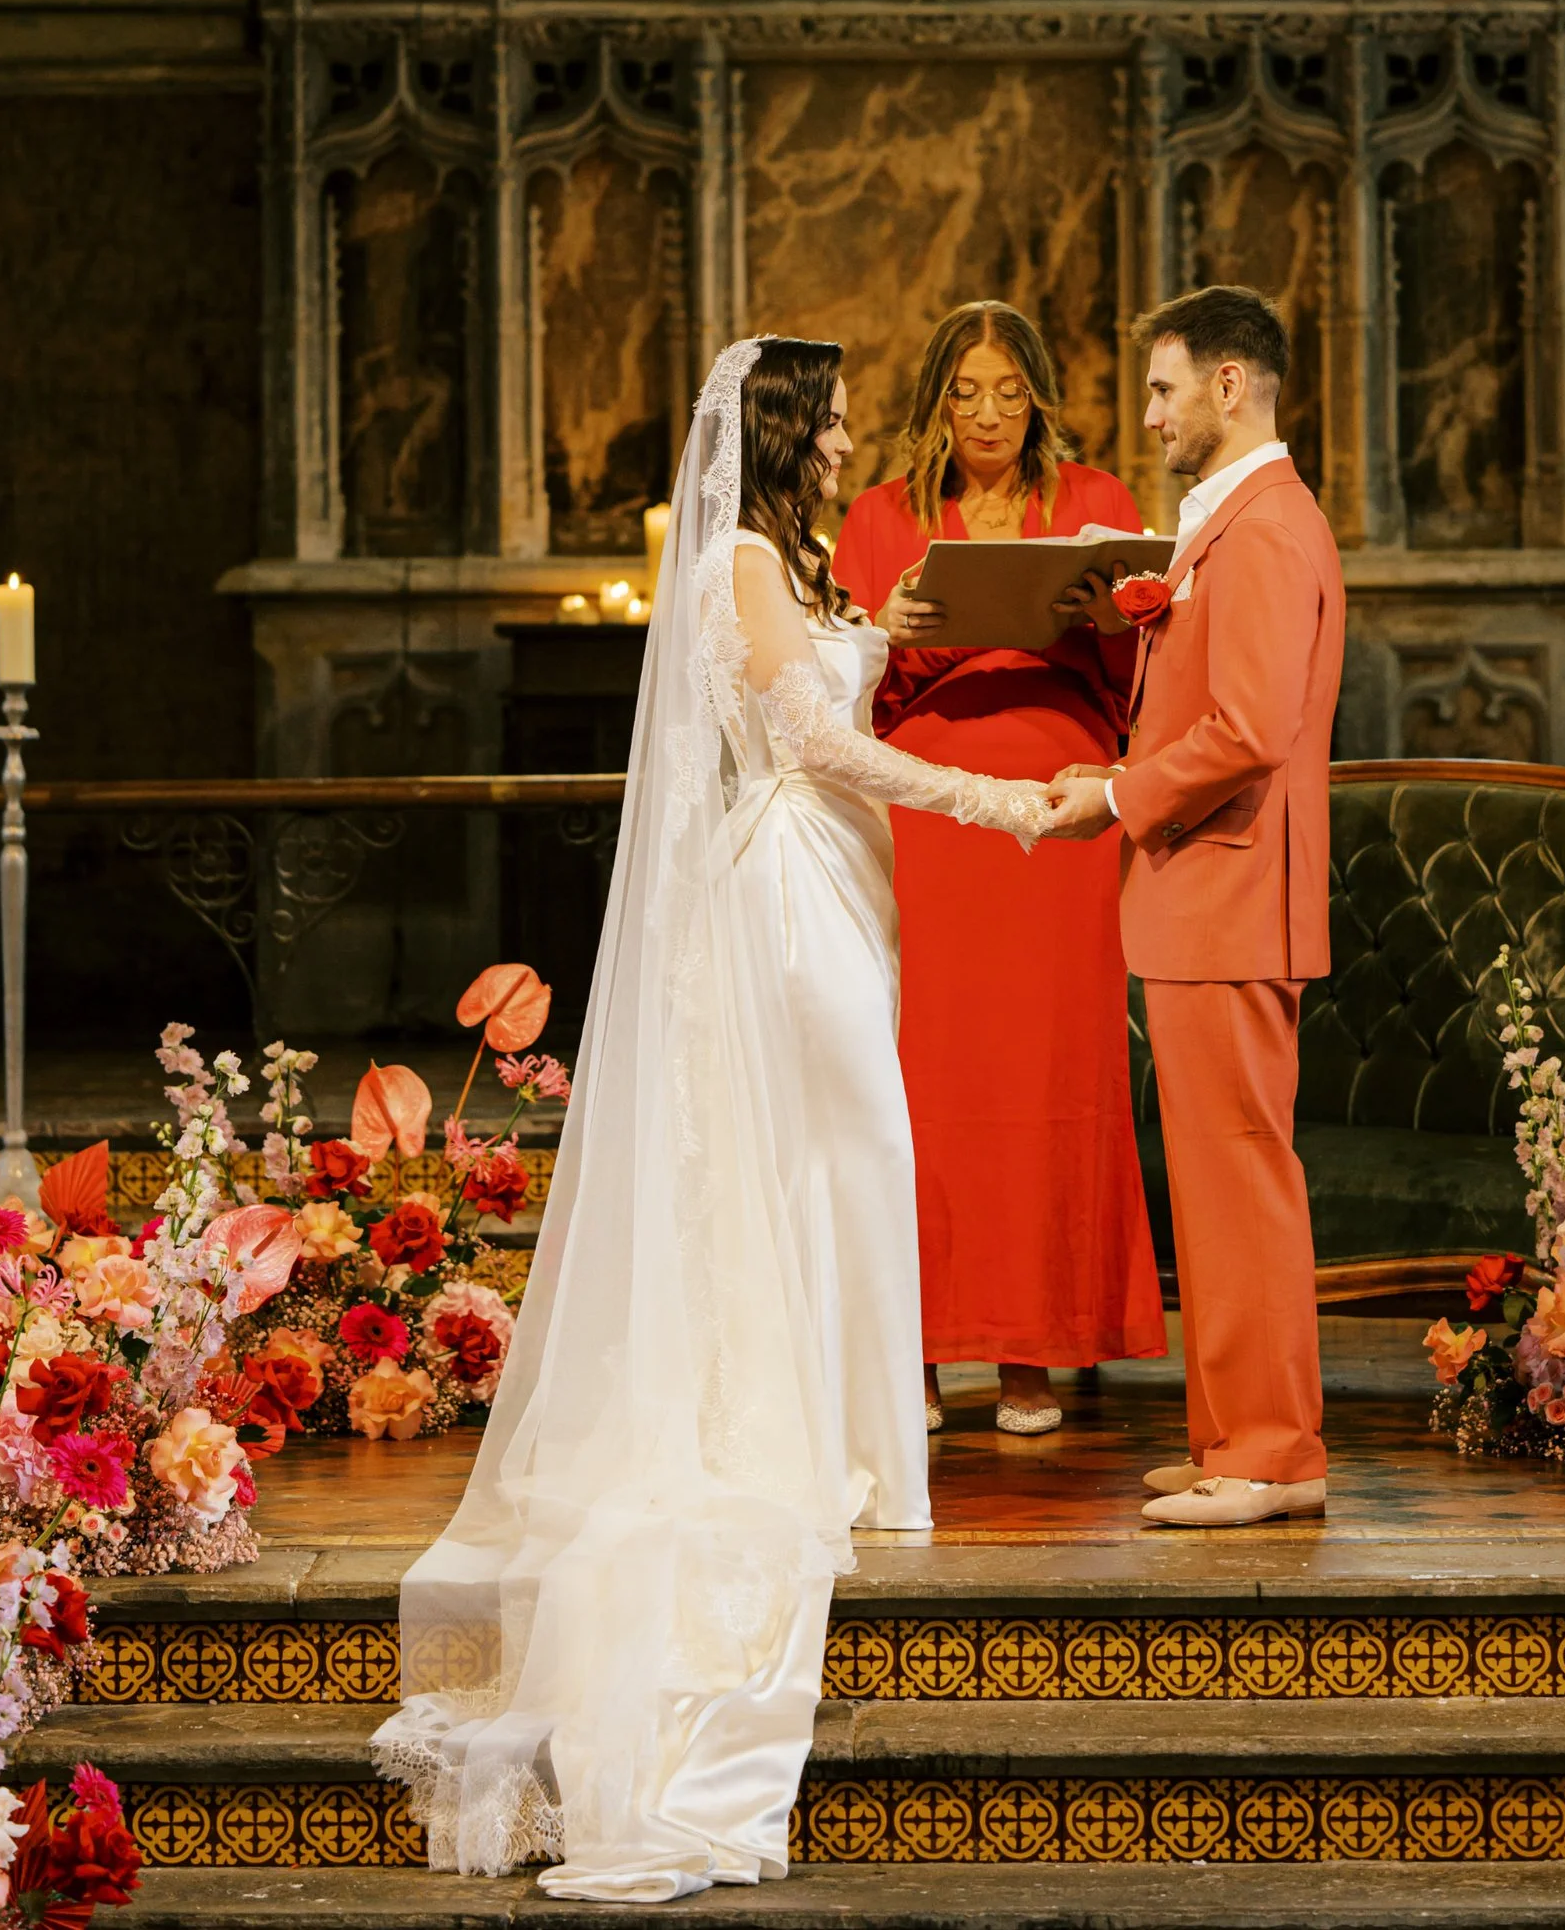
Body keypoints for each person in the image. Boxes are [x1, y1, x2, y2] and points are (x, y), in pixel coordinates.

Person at [375, 339, 1050, 1900]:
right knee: (853, 1155)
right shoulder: (743, 555)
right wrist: (993, 799)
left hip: (834, 885)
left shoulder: (785, 565)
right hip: (792, 893)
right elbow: (805, 743)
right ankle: (852, 1451)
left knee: (819, 1167)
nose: (852, 440)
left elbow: (815, 681)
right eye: (836, 420)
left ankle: (862, 1445)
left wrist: (886, 630)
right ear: (787, 435)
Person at [1038, 284, 1343, 1530]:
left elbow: (1251, 729)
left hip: (1228, 891)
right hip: (1198, 895)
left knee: (1240, 1176)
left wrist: (1113, 793)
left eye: (1163, 388)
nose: (1148, 415)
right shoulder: (1228, 523)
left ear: (1229, 384)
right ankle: (1232, 1434)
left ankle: (1272, 1454)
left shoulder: (1265, 527)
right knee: (1213, 1185)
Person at [833, 303, 1165, 1433]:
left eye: (1007, 391)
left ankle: (1034, 1354)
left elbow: (1148, 660)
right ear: (935, 400)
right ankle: (915, 1358)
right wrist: (885, 624)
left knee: (1049, 1077)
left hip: (1059, 814)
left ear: (1038, 400)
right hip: (928, 819)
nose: (985, 413)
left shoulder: (1096, 504)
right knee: (923, 1080)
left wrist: (1102, 618)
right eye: (965, 391)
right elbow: (840, 689)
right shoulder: (878, 515)